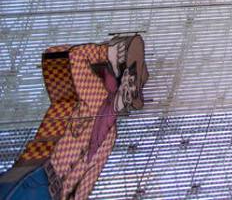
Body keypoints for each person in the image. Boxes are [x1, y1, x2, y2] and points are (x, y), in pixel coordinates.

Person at [0, 35, 148, 200]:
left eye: (136, 89)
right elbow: (67, 56)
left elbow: (88, 179)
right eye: (132, 79)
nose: (131, 89)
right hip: (37, 174)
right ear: (125, 75)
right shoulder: (95, 92)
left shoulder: (111, 136)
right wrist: (104, 52)